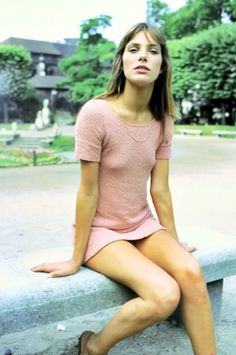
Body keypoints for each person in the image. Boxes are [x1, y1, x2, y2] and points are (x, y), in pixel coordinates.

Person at [31, 22, 217, 355]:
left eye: (153, 50)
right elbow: (87, 192)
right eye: (134, 49)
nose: (143, 56)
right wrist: (76, 257)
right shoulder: (96, 114)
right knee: (165, 294)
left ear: (162, 66)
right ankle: (93, 346)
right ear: (122, 62)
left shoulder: (163, 119)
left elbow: (160, 189)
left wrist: (173, 244)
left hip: (142, 225)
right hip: (103, 233)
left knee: (190, 272)